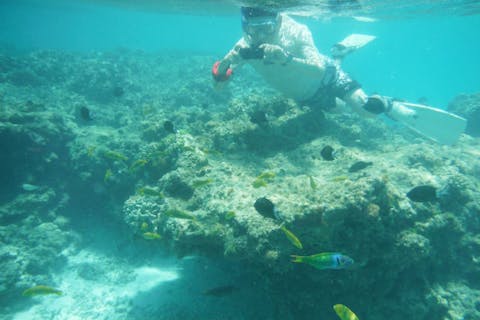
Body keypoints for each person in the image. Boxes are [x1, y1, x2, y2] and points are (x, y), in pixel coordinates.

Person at [211, 7, 424, 129]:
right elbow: (218, 89)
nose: (260, 36)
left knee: (366, 111)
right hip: (308, 98)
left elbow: (319, 70)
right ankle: (339, 54)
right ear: (244, 27)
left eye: (266, 28)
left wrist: (285, 58)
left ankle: (388, 104)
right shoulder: (244, 46)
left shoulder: (297, 31)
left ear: (277, 22)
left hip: (329, 77)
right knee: (342, 110)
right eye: (253, 29)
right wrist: (226, 64)